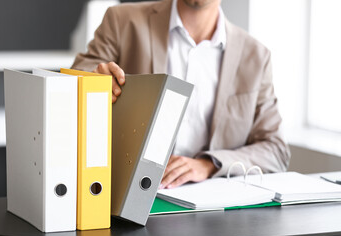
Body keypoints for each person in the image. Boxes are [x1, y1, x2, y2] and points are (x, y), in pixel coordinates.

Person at [71, 0, 291, 189]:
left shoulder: (256, 56)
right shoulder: (121, 20)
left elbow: (276, 149)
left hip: (215, 209)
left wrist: (209, 164)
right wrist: (94, 79)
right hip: (125, 194)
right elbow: (74, 80)